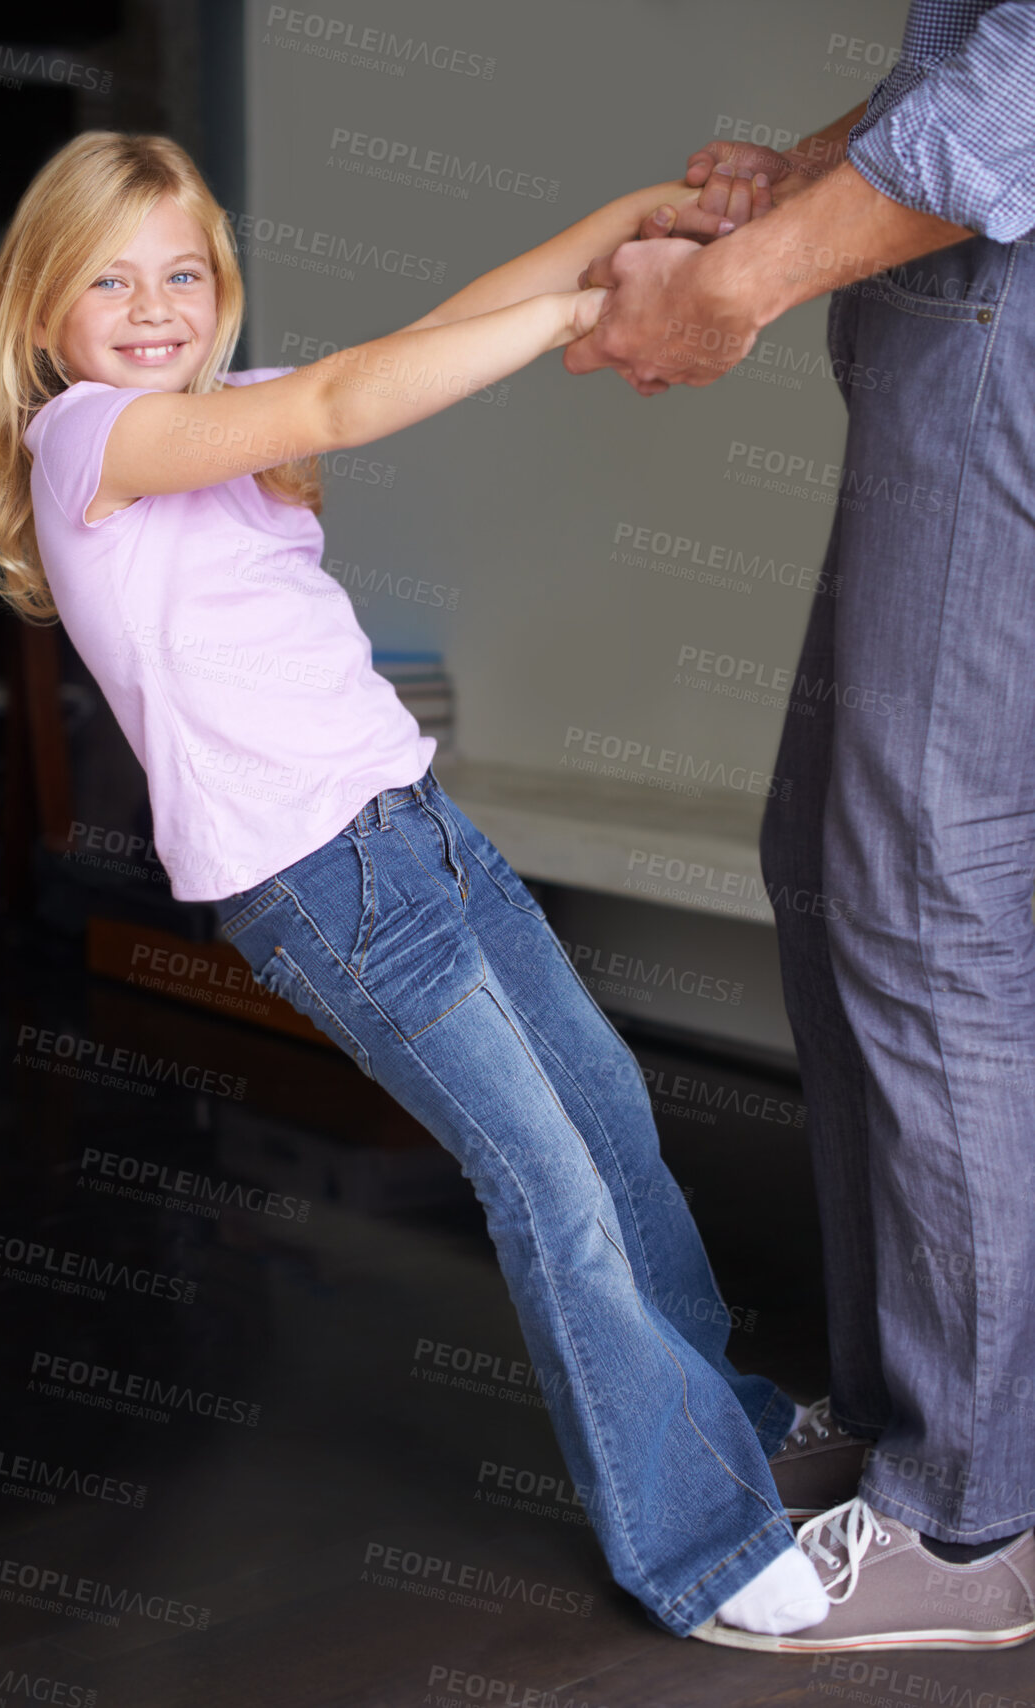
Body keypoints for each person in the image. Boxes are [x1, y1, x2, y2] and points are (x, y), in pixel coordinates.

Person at [0, 130, 836, 1644]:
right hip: (322, 884)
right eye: (110, 278)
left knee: (606, 1117)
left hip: (416, 828)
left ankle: (729, 1426)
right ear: (42, 313)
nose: (153, 304)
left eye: (182, 271)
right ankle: (699, 1545)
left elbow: (400, 349)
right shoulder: (89, 440)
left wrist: (625, 218)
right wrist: (589, 314)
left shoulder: (211, 411)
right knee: (546, 1185)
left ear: (218, 289)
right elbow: (352, 396)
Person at [564, 0, 1035, 1656]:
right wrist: (804, 172)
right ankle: (929, 1413)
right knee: (835, 882)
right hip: (958, 321)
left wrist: (738, 283)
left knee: (921, 905)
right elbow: (980, 46)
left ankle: (972, 1518)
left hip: (1006, 329)